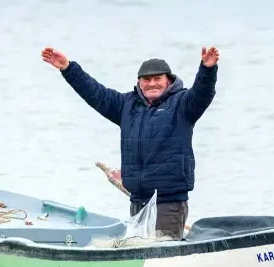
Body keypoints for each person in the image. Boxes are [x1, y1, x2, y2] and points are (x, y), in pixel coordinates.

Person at [41, 45, 219, 240]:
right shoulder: (127, 106)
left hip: (169, 204)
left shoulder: (182, 104)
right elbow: (95, 93)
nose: (152, 83)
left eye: (157, 79)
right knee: (142, 254)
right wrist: (67, 68)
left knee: (163, 257)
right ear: (139, 82)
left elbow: (203, 93)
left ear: (168, 81)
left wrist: (207, 69)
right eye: (147, 79)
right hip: (138, 201)